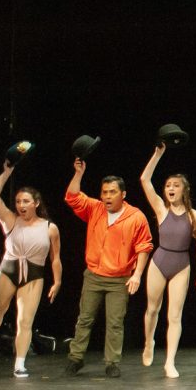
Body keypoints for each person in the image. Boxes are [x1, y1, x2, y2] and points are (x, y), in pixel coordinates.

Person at [64, 159, 153, 377]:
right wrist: (78, 174)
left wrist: (137, 275)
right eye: (104, 192)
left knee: (115, 322)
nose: (107, 197)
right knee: (85, 319)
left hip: (119, 279)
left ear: (123, 194)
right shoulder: (95, 209)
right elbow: (72, 197)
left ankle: (112, 362)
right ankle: (76, 358)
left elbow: (144, 247)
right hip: (94, 275)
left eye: (112, 192)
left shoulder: (136, 217)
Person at [0, 163, 62, 377]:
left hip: (34, 275)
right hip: (8, 270)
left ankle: (20, 364)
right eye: (18, 201)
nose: (21, 205)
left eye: (26, 201)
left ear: (36, 203)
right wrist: (7, 172)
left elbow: (55, 258)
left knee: (25, 321)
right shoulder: (10, 220)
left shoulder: (50, 228)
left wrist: (57, 281)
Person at [139, 144, 196, 378]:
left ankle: (170, 361)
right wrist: (157, 154)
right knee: (152, 309)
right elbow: (145, 180)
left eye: (176, 185)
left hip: (181, 265)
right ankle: (149, 342)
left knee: (174, 315)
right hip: (159, 261)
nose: (171, 188)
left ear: (184, 190)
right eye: (168, 185)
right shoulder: (161, 209)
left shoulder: (195, 217)